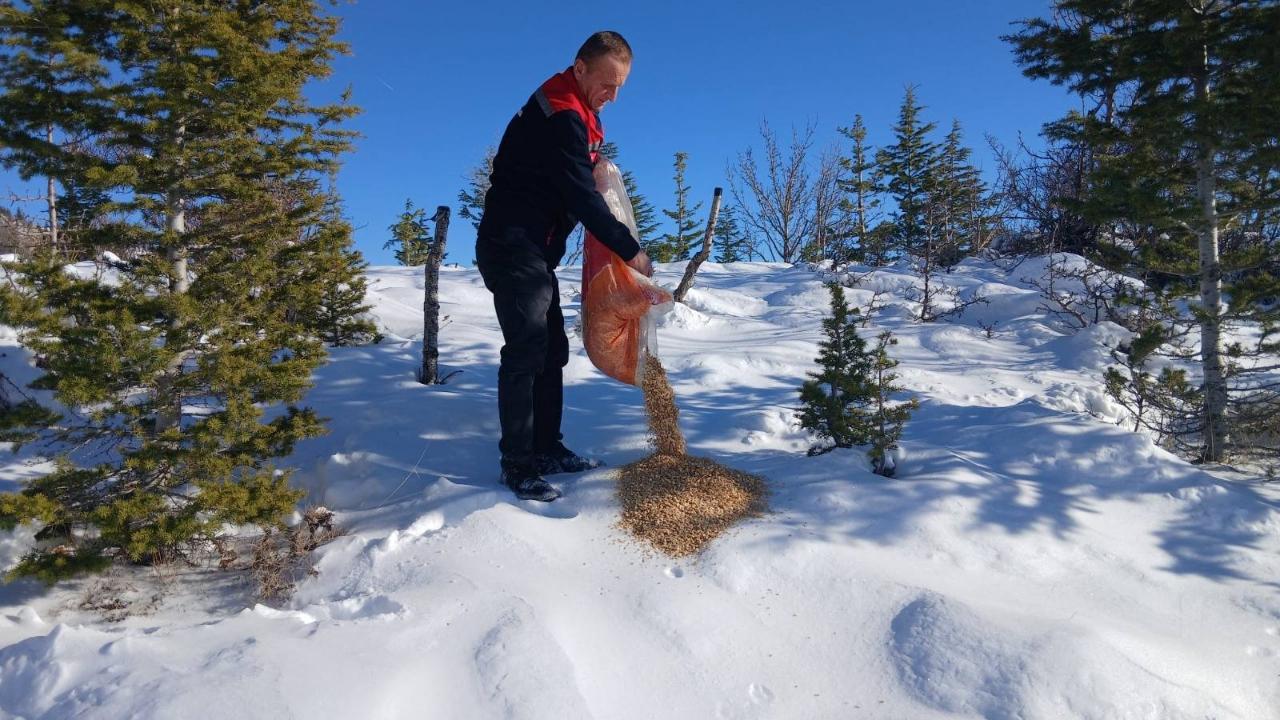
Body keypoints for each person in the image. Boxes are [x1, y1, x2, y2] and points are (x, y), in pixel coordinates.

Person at [475, 31, 654, 502]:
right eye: (607, 83)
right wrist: (627, 247)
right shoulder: (561, 114)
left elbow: (578, 179)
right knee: (527, 349)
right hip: (512, 246)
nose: (612, 96)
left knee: (552, 349)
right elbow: (578, 193)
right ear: (580, 68)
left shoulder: (579, 114)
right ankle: (518, 464)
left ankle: (547, 447)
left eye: (620, 88)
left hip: (535, 251)